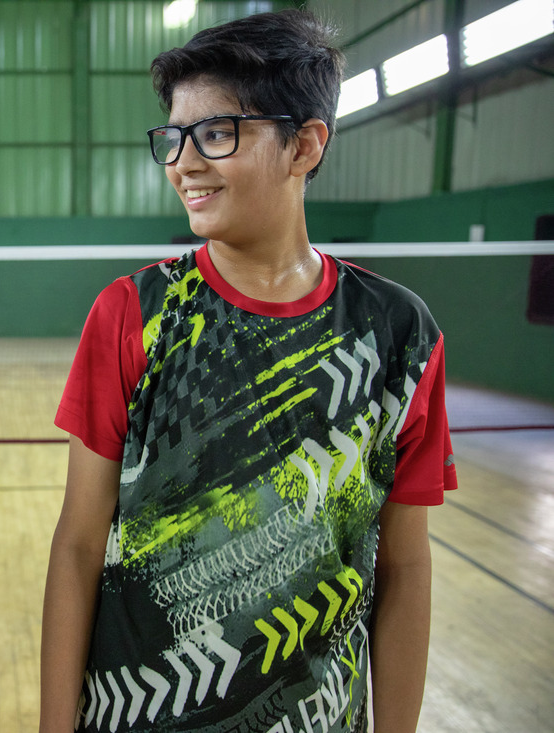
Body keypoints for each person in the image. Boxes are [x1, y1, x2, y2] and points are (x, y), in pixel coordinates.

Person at [40, 10, 456, 733]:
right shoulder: (131, 313)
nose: (184, 162)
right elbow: (79, 544)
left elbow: (406, 566)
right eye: (172, 138)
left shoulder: (398, 334)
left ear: (305, 144)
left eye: (217, 134)